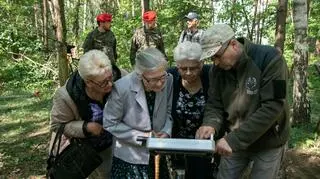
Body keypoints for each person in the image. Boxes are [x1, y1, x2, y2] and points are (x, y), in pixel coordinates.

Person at [195, 24, 290, 179]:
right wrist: (210, 124)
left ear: (233, 44)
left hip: (269, 142)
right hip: (234, 141)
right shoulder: (216, 71)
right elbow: (214, 104)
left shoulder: (271, 59)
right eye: (212, 58)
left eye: (217, 56)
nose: (216, 62)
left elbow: (273, 106)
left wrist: (234, 140)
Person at [49, 50, 120, 179]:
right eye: (103, 82)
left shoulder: (120, 76)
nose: (110, 84)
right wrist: (86, 127)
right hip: (91, 150)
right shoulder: (66, 96)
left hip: (118, 143)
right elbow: (57, 125)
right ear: (89, 82)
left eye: (110, 77)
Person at [103, 47, 173, 178]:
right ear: (140, 75)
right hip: (130, 158)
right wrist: (143, 137)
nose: (160, 84)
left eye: (162, 77)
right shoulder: (121, 87)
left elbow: (168, 112)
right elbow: (110, 123)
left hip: (157, 153)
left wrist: (166, 132)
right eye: (153, 79)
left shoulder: (168, 80)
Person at [167, 41, 216, 179]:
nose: (188, 73)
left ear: (201, 64)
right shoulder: (169, 77)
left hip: (203, 144)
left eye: (194, 68)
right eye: (183, 68)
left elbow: (218, 106)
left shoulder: (211, 75)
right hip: (175, 143)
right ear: (177, 66)